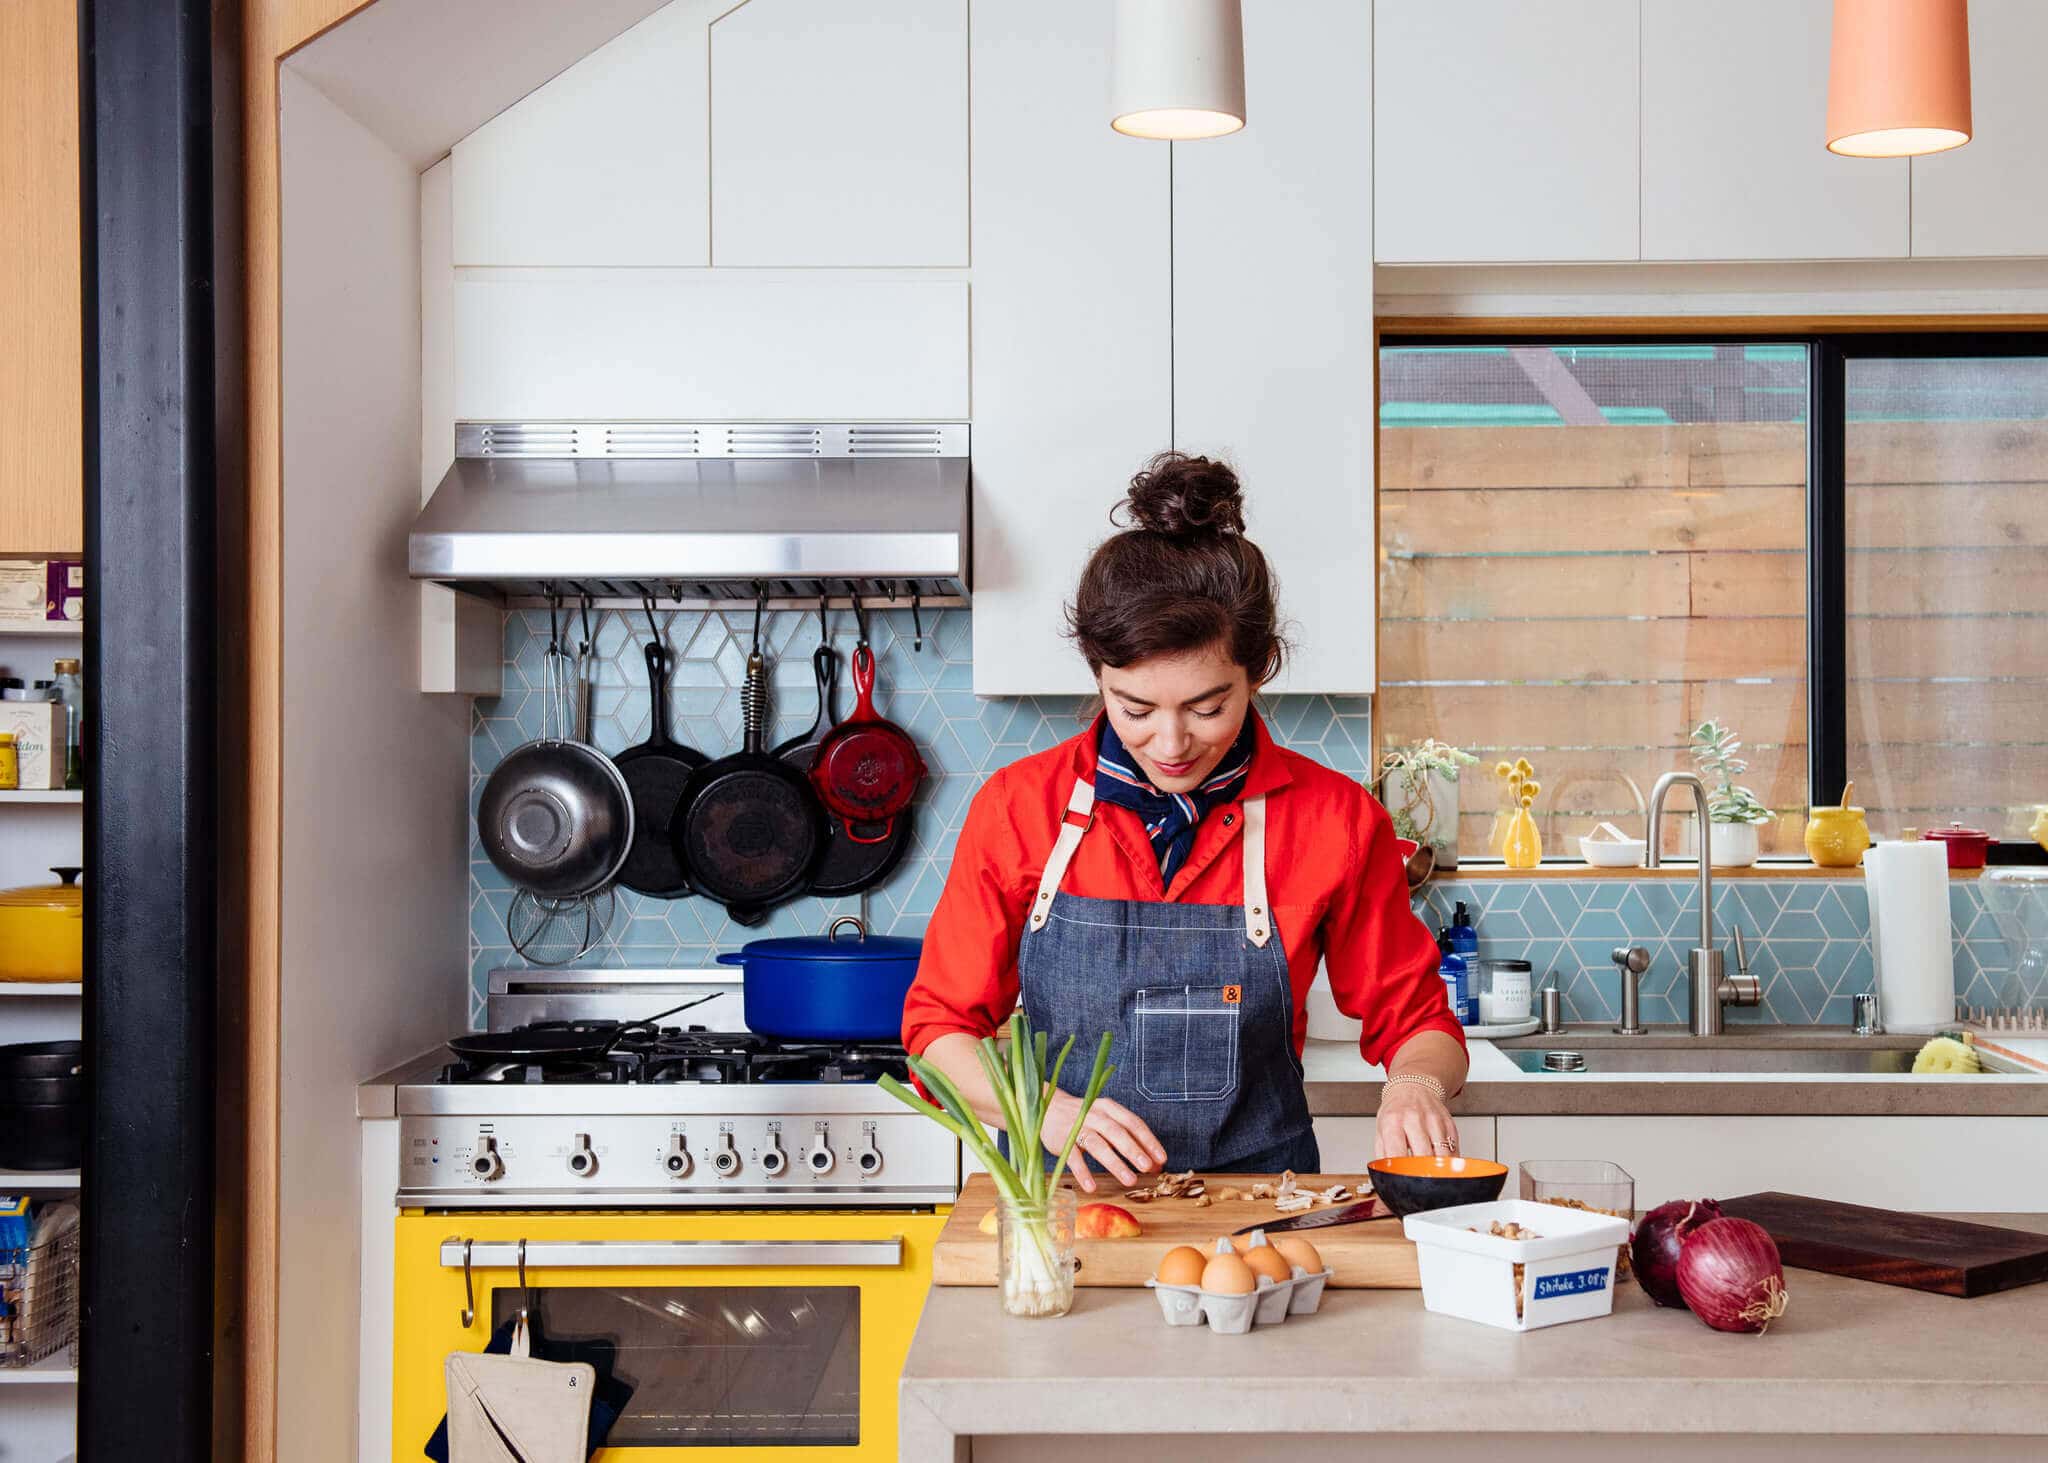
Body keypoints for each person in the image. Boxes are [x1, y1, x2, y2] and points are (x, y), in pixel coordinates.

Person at [900, 452, 1468, 1189]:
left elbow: (1420, 1019)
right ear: (1097, 673)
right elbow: (937, 1031)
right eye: (1134, 708)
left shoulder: (1334, 819)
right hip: (1066, 1210)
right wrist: (1042, 1109)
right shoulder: (1019, 809)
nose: (1171, 744)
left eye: (1207, 707)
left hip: (1261, 1210)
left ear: (1258, 667)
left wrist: (1415, 1084)